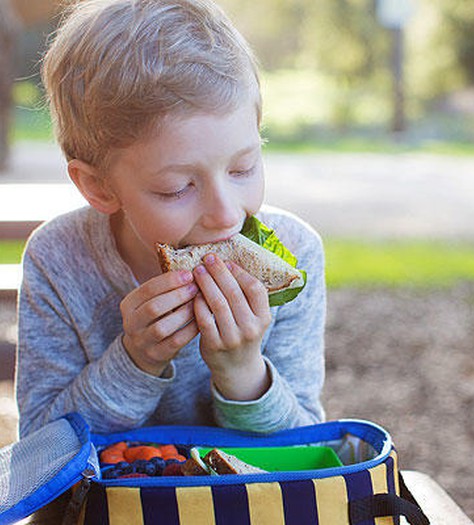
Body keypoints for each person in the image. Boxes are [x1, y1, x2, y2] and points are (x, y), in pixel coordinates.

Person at [15, 0, 326, 439]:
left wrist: (243, 374)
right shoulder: (58, 260)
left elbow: (305, 453)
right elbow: (40, 451)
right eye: (177, 188)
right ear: (99, 187)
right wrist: (135, 360)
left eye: (243, 169)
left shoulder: (295, 257)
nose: (226, 214)